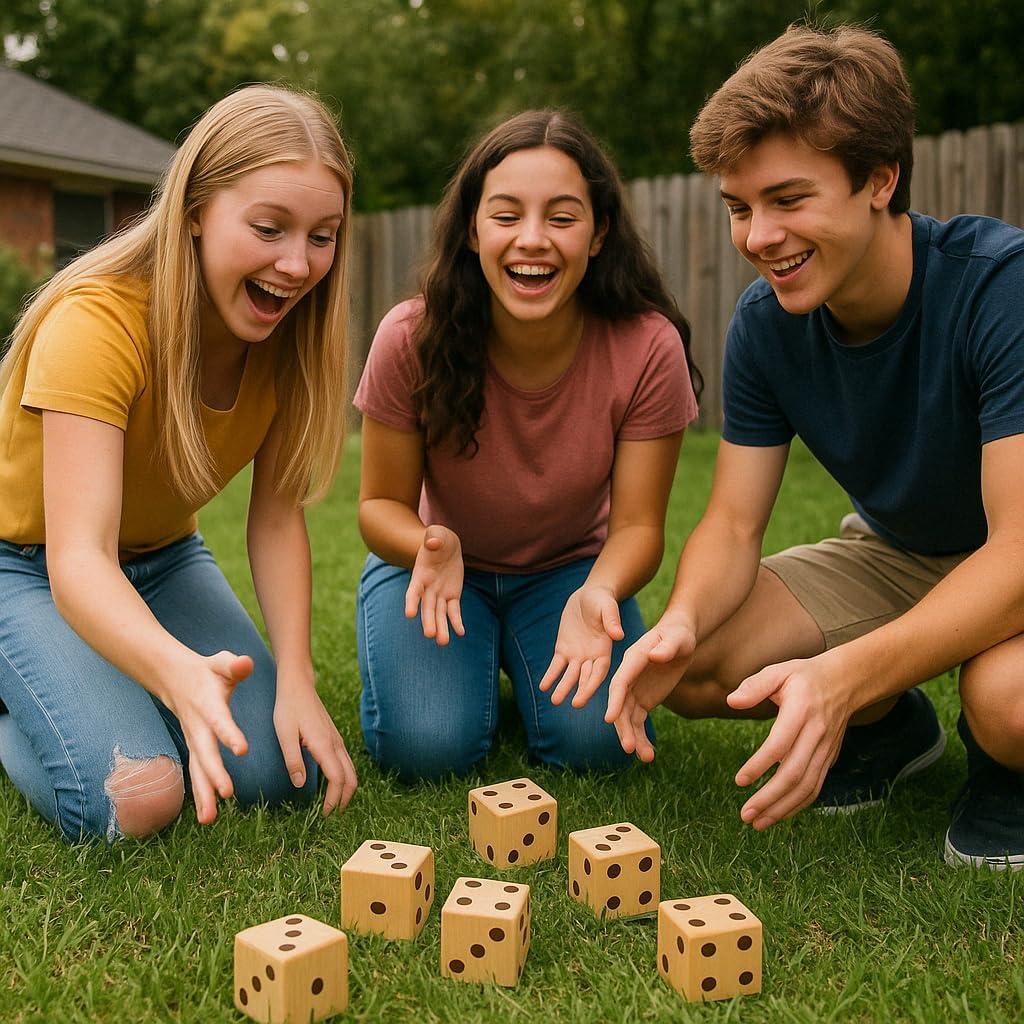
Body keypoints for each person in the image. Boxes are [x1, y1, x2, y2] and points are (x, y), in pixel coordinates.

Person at [595, 24, 1024, 869]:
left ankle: (1006, 768)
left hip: (1012, 554)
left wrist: (847, 670)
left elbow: (1016, 554)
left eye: (788, 200)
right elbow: (729, 526)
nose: (758, 237)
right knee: (694, 666)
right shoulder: (765, 325)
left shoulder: (999, 288)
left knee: (1006, 701)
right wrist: (680, 622)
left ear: (879, 178)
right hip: (901, 552)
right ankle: (892, 728)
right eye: (739, 208)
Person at [0, 85, 359, 843]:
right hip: (26, 568)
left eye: (322, 236)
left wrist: (296, 678)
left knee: (277, 773)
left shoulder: (292, 342)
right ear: (195, 209)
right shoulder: (97, 321)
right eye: (269, 227)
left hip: (163, 560)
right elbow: (78, 559)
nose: (296, 265)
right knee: (142, 798)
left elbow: (276, 518)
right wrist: (175, 670)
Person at [354, 109, 701, 781]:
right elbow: (378, 507)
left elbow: (637, 527)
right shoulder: (410, 337)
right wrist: (427, 544)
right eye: (506, 216)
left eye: (563, 218)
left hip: (570, 572)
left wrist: (598, 591)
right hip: (433, 570)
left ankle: (517, 655)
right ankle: (465, 673)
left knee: (599, 750)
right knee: (428, 750)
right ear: (472, 231)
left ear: (599, 234)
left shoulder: (646, 345)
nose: (533, 241)